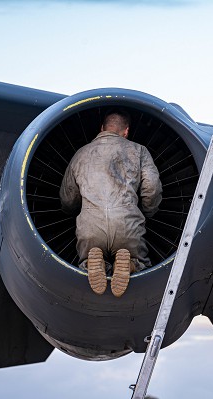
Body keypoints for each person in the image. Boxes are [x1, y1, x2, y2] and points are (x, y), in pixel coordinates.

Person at [60, 110, 162, 297]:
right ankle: (131, 263)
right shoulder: (138, 151)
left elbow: (68, 198)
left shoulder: (81, 154)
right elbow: (152, 186)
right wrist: (148, 211)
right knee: (142, 265)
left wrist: (70, 210)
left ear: (102, 129)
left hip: (90, 228)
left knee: (85, 263)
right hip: (127, 225)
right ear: (126, 132)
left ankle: (92, 262)